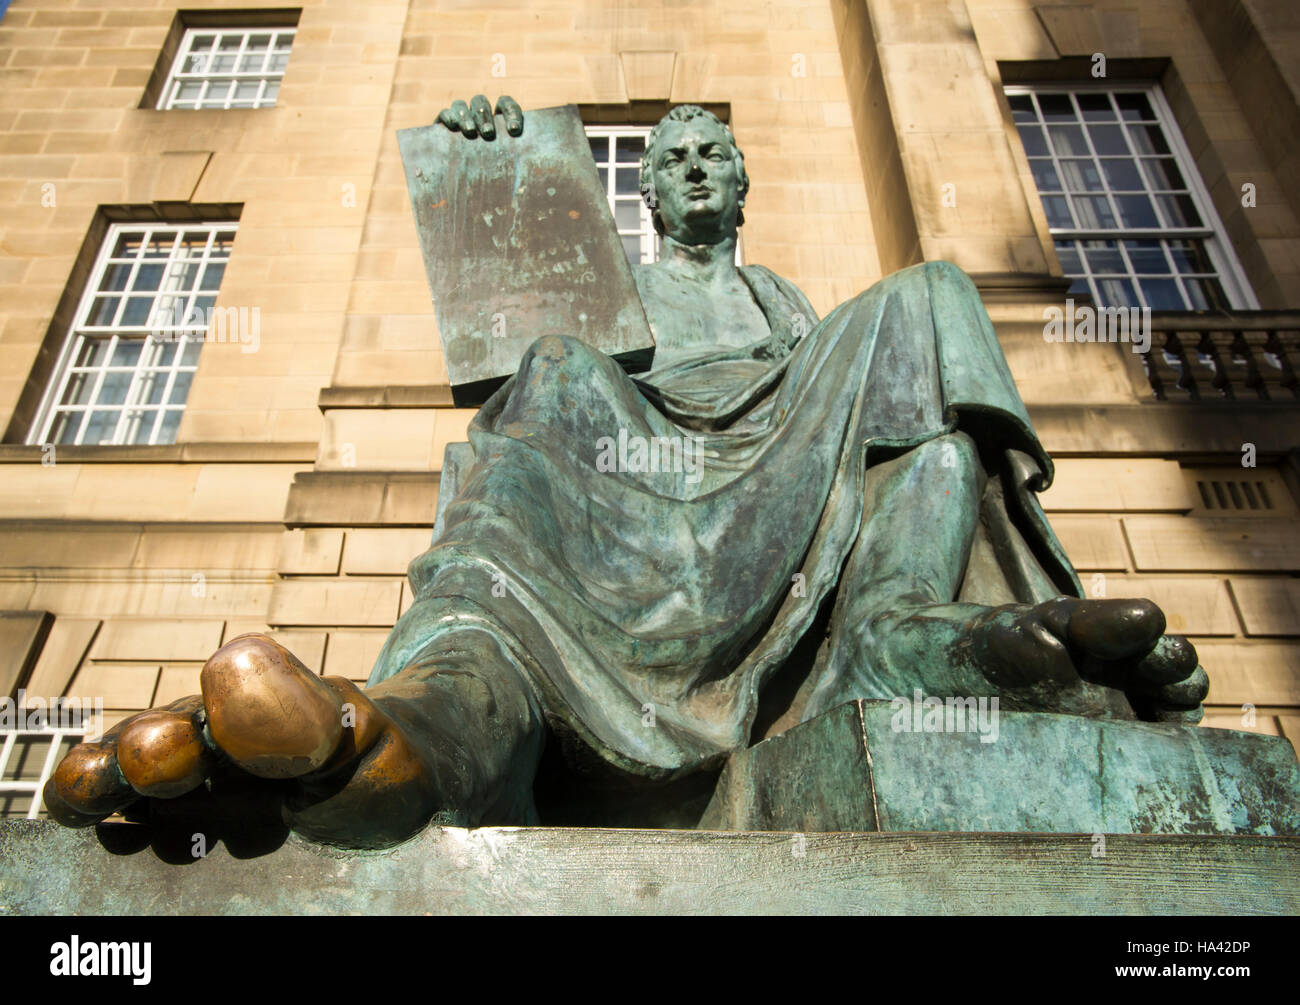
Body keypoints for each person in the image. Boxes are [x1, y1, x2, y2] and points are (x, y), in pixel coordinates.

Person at [47, 98, 1208, 848]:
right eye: (672, 160)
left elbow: (857, 401)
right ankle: (436, 728)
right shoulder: (614, 299)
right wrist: (486, 161)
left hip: (781, 460)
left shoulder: (785, 304)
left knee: (930, 312)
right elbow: (525, 357)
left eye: (714, 154)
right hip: (631, 472)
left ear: (742, 184)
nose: (695, 168)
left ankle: (904, 629)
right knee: (551, 372)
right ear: (645, 197)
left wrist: (810, 395)